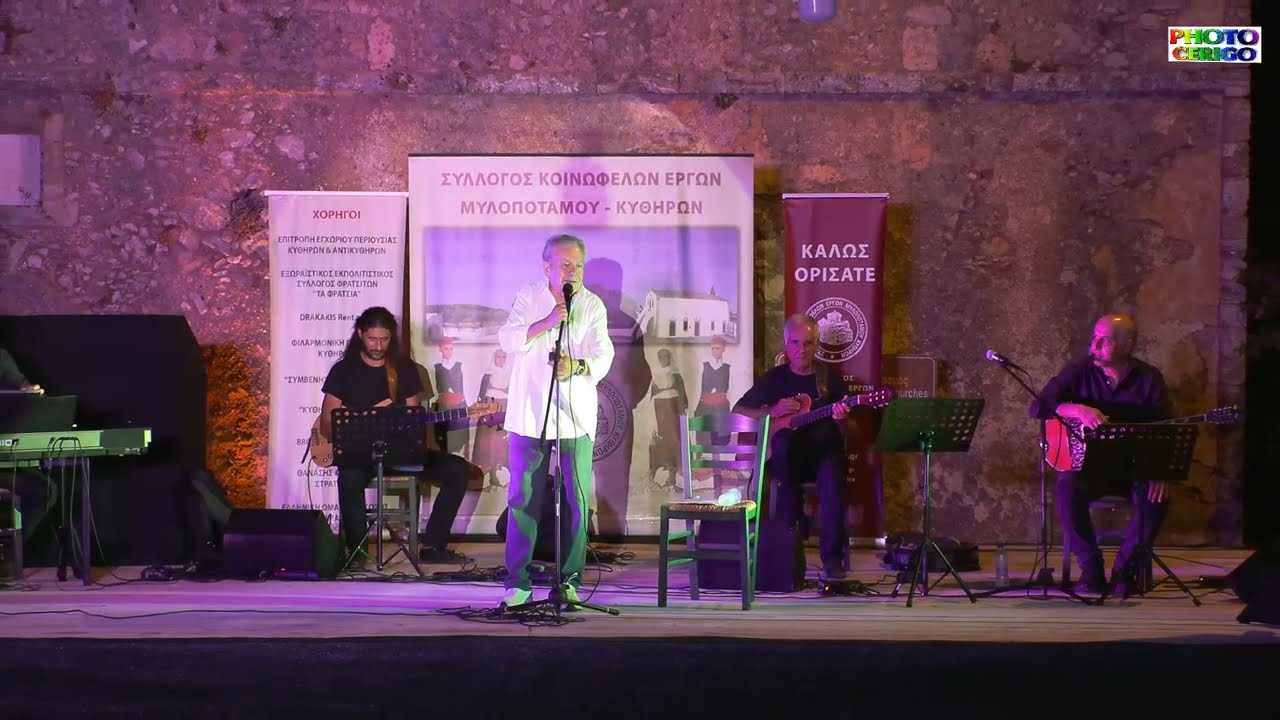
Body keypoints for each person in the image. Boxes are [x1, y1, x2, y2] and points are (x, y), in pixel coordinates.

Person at [496, 234, 615, 608]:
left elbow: (603, 354)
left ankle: (569, 581)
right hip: (530, 414)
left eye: (578, 265)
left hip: (574, 417)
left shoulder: (592, 305)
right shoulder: (528, 297)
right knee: (523, 498)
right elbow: (508, 339)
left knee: (576, 500)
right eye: (565, 265)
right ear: (546, 266)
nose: (572, 272)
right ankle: (518, 583)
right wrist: (548, 321)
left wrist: (575, 366)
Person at [1032, 313, 1172, 595]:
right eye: (1094, 337)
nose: (1094, 345)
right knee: (1066, 487)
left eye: (1104, 340)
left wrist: (1160, 471)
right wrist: (1077, 409)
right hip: (1090, 467)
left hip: (1134, 468)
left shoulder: (1149, 378)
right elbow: (1039, 407)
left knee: (1156, 497)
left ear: (1127, 344)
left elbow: (1165, 427)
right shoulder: (1078, 371)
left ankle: (1124, 574)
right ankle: (1091, 570)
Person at [319, 307, 470, 566]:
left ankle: (433, 545)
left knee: (457, 469)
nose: (378, 346)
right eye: (372, 339)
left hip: (399, 452)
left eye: (384, 339)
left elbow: (413, 418)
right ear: (360, 334)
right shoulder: (343, 370)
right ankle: (357, 550)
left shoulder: (405, 369)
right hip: (359, 455)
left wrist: (409, 429)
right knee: (348, 477)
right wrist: (350, 427)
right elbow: (327, 421)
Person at [733, 314, 853, 579]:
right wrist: (770, 410)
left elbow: (851, 433)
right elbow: (738, 411)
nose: (802, 350)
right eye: (796, 343)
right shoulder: (773, 379)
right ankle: (789, 550)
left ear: (816, 344)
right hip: (788, 462)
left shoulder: (830, 380)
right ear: (786, 345)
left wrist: (842, 419)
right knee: (783, 442)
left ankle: (832, 560)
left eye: (808, 343)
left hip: (823, 456)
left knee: (833, 470)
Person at [647, 348, 688, 490]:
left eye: (666, 356)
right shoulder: (655, 374)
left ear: (669, 358)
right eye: (661, 357)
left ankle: (677, 473)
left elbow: (681, 395)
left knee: (675, 439)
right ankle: (666, 472)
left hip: (673, 406)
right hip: (660, 408)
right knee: (663, 439)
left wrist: (681, 410)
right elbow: (652, 395)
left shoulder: (675, 373)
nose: (663, 359)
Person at [472, 348, 511, 492]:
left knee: (502, 446)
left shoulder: (510, 375)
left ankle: (503, 480)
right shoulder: (488, 375)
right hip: (488, 413)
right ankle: (490, 479)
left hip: (504, 412)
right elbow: (481, 396)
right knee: (488, 447)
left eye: (503, 357)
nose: (500, 359)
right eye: (498, 357)